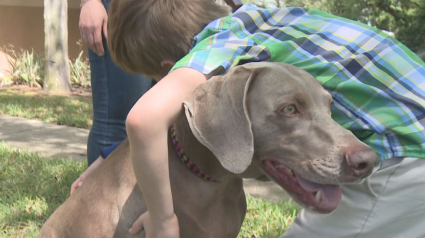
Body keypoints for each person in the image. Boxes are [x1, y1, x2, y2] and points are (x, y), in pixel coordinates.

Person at [90, 0, 425, 237]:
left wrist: (164, 223)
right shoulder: (263, 19)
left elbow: (144, 120)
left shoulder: (214, 47)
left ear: (172, 68)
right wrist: (110, 157)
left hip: (405, 158)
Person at [78, 0, 152, 168]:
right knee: (116, 125)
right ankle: (98, 193)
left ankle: (142, 193)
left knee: (163, 122)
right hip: (123, 8)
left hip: (172, 10)